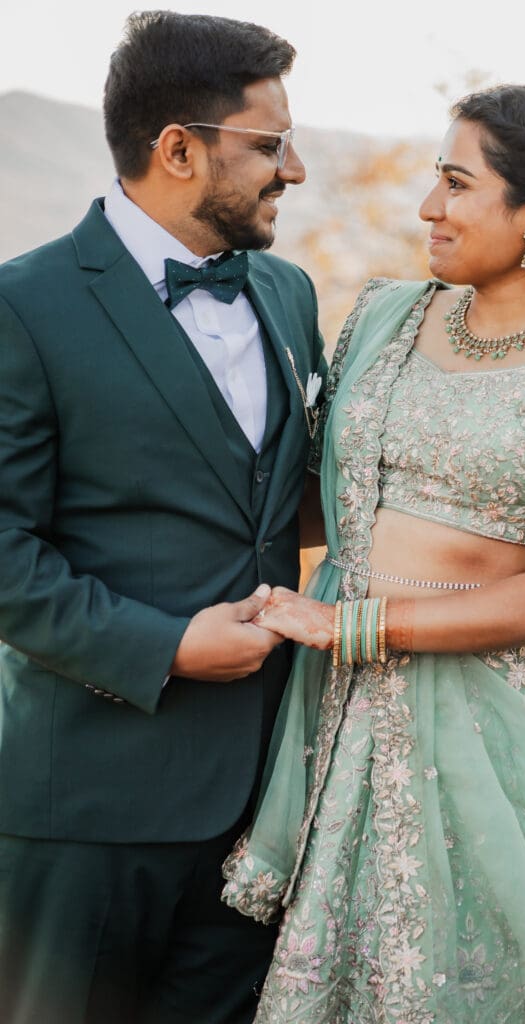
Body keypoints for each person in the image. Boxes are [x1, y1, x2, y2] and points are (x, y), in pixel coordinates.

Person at [222, 85, 525, 1022]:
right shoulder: (387, 316)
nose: (427, 206)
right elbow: (315, 500)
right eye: (433, 177)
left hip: (492, 724)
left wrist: (347, 624)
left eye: (456, 182)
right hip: (336, 706)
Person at [0, 11, 325, 1024]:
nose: (295, 169)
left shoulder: (286, 291)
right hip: (88, 807)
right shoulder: (24, 304)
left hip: (267, 806)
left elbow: (281, 498)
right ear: (178, 150)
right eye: (268, 146)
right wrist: (167, 645)